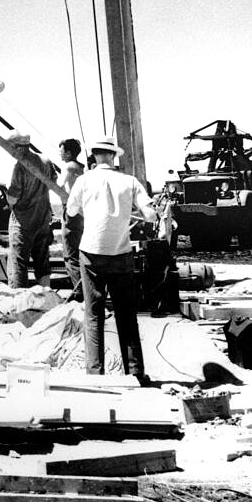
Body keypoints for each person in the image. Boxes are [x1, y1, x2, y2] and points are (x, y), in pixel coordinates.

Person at [66, 135, 158, 382]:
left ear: (94, 155)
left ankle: (96, 375)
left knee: (93, 315)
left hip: (91, 253)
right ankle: (136, 373)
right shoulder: (129, 181)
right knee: (126, 314)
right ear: (114, 155)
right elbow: (150, 215)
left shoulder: (84, 180)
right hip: (121, 253)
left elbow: (71, 211)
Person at [4, 130, 56, 290]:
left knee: (18, 264)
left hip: (23, 222)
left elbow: (13, 197)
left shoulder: (20, 166)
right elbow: (53, 182)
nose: (11, 152)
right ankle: (46, 297)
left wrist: (10, 202)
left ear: (18, 147)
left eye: (11, 148)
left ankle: (19, 303)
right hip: (43, 220)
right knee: (42, 263)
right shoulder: (46, 160)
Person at [58, 137, 86, 302]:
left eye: (61, 150)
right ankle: (82, 289)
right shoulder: (81, 168)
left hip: (71, 212)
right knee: (79, 252)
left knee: (70, 255)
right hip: (81, 213)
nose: (59, 153)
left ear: (68, 152)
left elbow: (59, 185)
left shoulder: (68, 167)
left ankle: (79, 293)